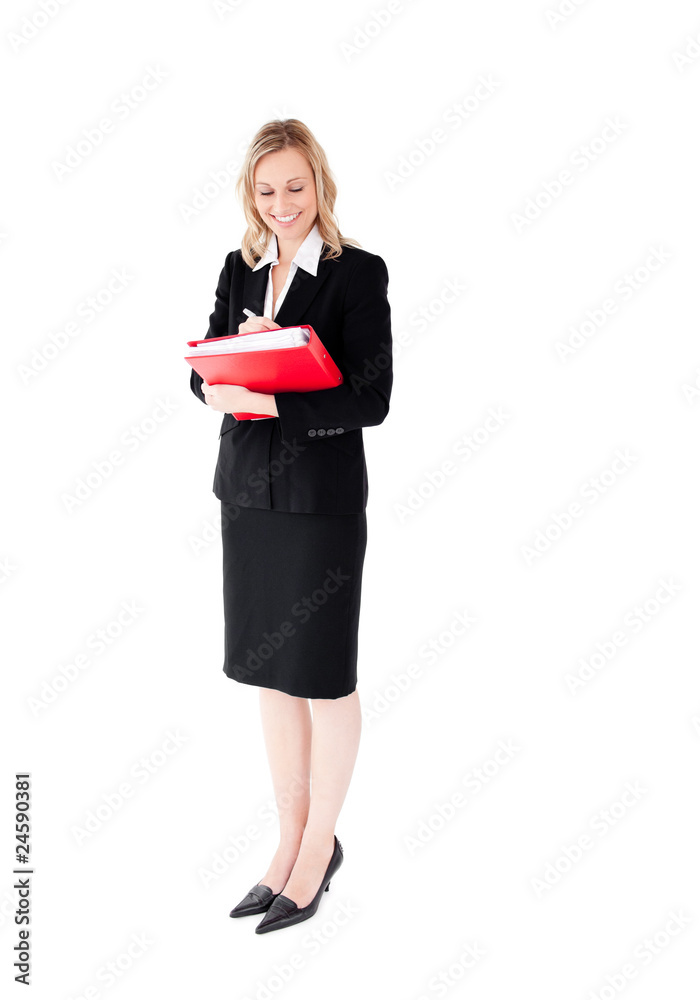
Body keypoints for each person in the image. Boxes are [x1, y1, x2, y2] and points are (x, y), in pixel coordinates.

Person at [189, 118, 393, 934]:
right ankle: (287, 842)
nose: (283, 205)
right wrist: (219, 384)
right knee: (272, 677)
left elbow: (370, 399)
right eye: (267, 191)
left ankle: (319, 851)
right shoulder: (238, 271)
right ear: (253, 195)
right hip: (248, 495)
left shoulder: (356, 275)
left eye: (296, 188)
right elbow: (206, 370)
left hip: (319, 505)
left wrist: (276, 391)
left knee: (324, 679)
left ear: (321, 186)